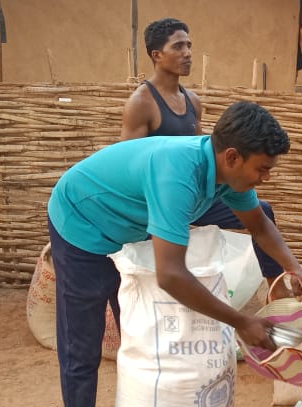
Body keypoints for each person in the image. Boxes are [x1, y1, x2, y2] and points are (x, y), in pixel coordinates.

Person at [49, 101, 302, 407]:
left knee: (143, 337)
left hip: (129, 222)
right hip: (83, 221)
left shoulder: (224, 174)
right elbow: (171, 275)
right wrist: (240, 321)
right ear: (232, 157)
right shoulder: (177, 176)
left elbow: (260, 225)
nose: (266, 177)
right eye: (262, 169)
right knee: (82, 347)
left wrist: (294, 269)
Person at [122, 18, 290, 297]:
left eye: (189, 45)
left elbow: (205, 151)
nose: (187, 53)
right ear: (157, 55)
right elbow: (130, 163)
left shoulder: (192, 101)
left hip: (192, 192)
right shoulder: (141, 103)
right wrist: (171, 207)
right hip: (158, 199)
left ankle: (276, 288)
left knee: (263, 212)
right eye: (178, 46)